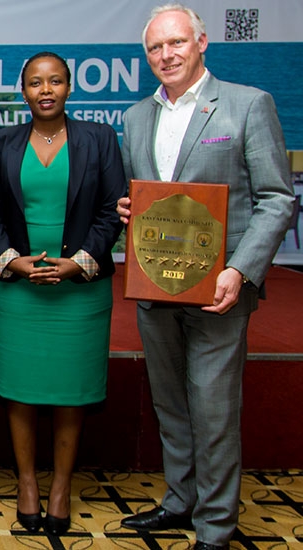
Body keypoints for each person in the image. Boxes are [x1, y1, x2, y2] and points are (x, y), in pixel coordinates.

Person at [116, 5, 295, 549]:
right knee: (170, 403)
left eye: (175, 43)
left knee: (214, 410)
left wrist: (241, 269)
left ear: (201, 43)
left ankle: (215, 527)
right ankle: (180, 500)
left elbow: (276, 198)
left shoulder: (246, 105)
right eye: (154, 48)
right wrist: (131, 210)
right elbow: (148, 195)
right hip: (157, 286)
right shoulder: (135, 117)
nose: (165, 56)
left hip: (220, 290)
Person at [0, 52, 125, 536]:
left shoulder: (99, 139)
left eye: (56, 81)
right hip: (18, 291)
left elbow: (113, 210)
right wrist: (13, 262)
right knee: (20, 392)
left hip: (79, 291)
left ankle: (61, 486)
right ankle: (27, 483)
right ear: (23, 91)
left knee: (71, 392)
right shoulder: (1, 141)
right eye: (36, 83)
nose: (46, 90)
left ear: (69, 88)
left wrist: (78, 263)